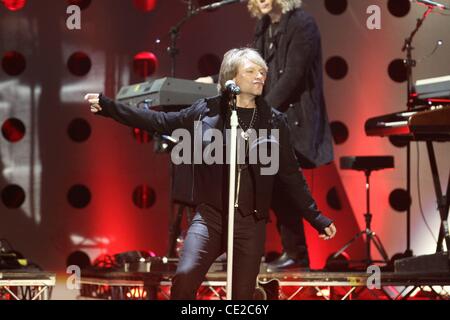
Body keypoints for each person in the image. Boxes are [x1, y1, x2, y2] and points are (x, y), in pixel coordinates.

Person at [85, 48, 336, 299]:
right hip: (210, 218)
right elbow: (160, 121)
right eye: (251, 71)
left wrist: (317, 219)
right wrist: (110, 107)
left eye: (263, 72)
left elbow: (292, 176)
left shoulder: (273, 121)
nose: (260, 77)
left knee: (242, 298)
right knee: (184, 280)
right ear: (232, 78)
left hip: (250, 223)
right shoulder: (206, 111)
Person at [198, 0, 334, 271]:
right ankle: (271, 252)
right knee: (269, 186)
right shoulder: (264, 26)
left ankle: (296, 255)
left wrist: (260, 113)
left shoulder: (301, 23)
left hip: (294, 120)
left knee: (283, 186)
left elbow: (292, 78)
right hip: (272, 118)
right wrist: (217, 81)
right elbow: (249, 69)